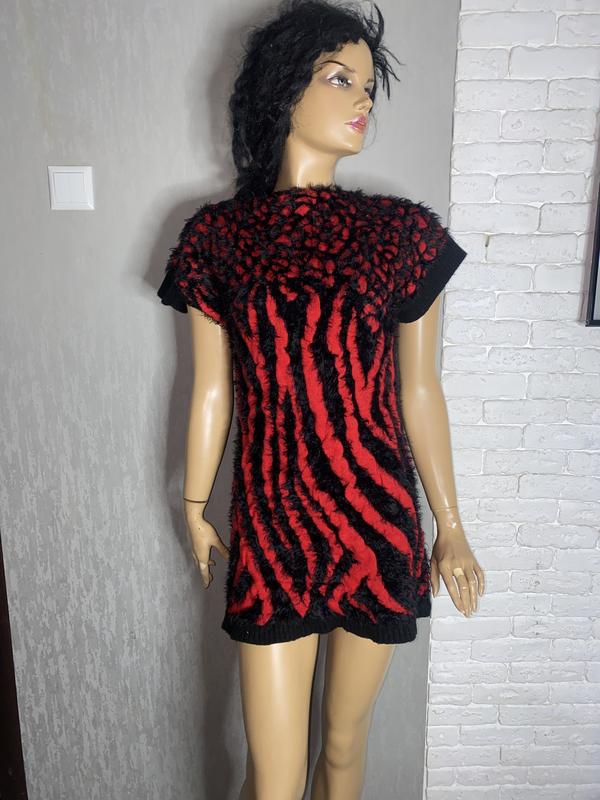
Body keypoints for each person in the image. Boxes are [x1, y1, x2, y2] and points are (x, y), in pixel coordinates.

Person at [157, 1, 485, 797]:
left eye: (369, 85)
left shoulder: (400, 235)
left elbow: (419, 388)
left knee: (341, 747)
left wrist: (451, 525)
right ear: (283, 89)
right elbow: (209, 387)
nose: (363, 98)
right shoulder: (219, 239)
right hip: (273, 528)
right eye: (341, 78)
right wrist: (195, 501)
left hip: (375, 522)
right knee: (273, 777)